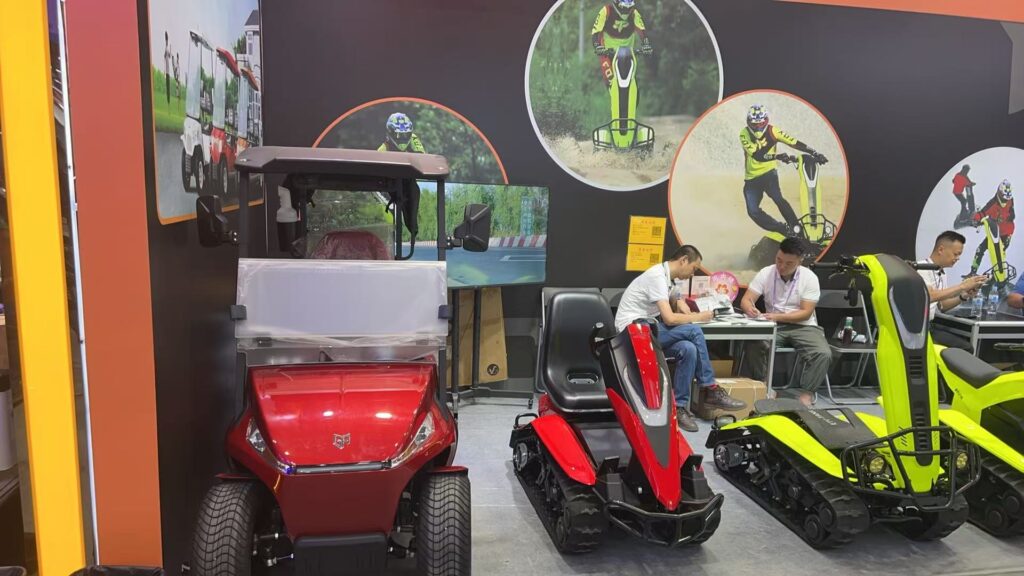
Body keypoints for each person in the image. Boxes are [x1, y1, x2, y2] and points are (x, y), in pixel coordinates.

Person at [614, 245, 747, 432]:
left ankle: (680, 407)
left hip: (646, 330)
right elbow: (669, 318)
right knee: (694, 331)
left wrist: (686, 309)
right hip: (632, 332)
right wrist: (698, 317)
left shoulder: (669, 279)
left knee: (688, 349)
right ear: (683, 260)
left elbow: (678, 300)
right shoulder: (657, 276)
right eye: (693, 268)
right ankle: (710, 388)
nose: (693, 274)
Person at [740, 237, 831, 406]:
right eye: (779, 260)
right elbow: (746, 300)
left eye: (789, 263)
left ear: (800, 261)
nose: (781, 266)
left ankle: (807, 394)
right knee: (754, 343)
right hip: (773, 325)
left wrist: (776, 316)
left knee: (822, 353)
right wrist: (750, 308)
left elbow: (805, 313)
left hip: (803, 327)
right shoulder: (766, 273)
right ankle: (765, 387)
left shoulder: (809, 278)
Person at [739, 105, 829, 238]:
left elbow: (793, 142)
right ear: (748, 122)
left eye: (761, 124)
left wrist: (815, 153)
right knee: (753, 212)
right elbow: (757, 156)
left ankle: (797, 229)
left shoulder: (773, 131)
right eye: (754, 124)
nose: (758, 127)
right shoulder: (744, 134)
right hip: (751, 179)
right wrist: (778, 156)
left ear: (766, 121)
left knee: (778, 199)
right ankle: (783, 229)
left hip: (769, 174)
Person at [919, 230, 987, 349]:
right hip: (917, 330)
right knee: (965, 348)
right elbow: (930, 296)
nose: (958, 258)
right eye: (956, 254)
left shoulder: (942, 272)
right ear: (941, 250)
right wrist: (962, 286)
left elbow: (943, 306)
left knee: (966, 346)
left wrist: (963, 296)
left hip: (929, 326)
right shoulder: (921, 268)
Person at [591, 0, 652, 88]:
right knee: (610, 81)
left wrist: (646, 45)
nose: (626, 11)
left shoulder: (634, 13)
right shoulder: (606, 11)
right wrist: (597, 46)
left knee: (631, 80)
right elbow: (595, 32)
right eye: (624, 7)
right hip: (607, 52)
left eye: (629, 7)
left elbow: (642, 31)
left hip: (628, 53)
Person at [968, 179, 1014, 276]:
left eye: (1007, 199)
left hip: (1006, 233)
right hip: (994, 232)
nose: (1005, 201)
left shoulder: (1010, 201)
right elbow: (983, 212)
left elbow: (1012, 215)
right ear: (999, 193)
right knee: (980, 249)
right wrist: (975, 219)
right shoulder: (992, 203)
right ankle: (973, 272)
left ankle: (997, 277)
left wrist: (1006, 217)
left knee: (999, 255)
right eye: (1004, 199)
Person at [163, 32, 172, 105]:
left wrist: (170, 53)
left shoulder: (167, 49)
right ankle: (167, 100)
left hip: (168, 70)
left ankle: (168, 100)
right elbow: (166, 56)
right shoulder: (166, 49)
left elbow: (170, 56)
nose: (166, 42)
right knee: (167, 85)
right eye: (166, 40)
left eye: (167, 40)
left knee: (168, 85)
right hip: (166, 70)